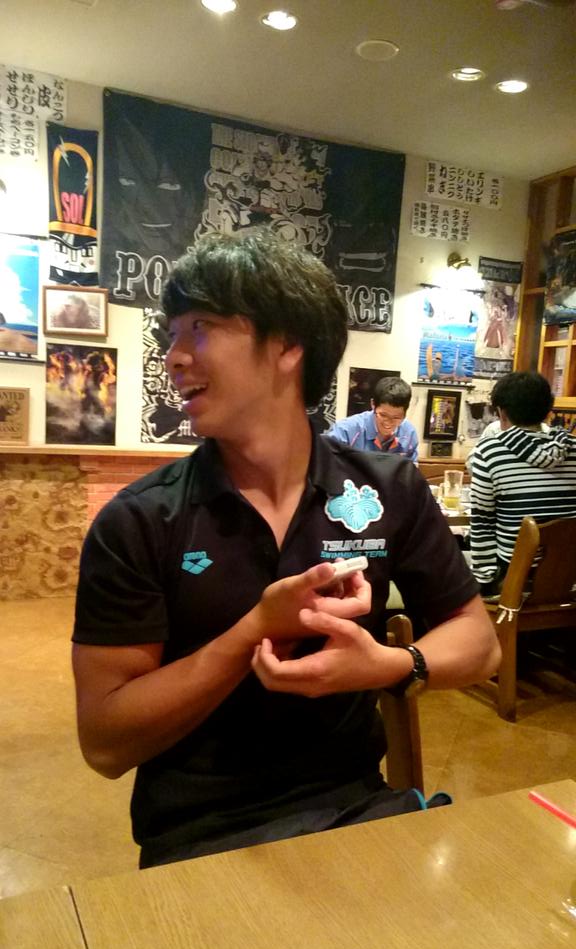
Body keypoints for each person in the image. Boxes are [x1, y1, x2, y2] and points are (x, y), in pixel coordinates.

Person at [72, 230, 499, 869]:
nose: (174, 356)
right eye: (171, 334)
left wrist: (387, 665)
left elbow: (481, 643)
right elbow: (105, 744)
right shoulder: (141, 519)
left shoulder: (388, 488)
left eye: (200, 327)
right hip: (199, 836)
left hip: (357, 809)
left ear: (288, 345)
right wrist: (256, 630)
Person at [470, 371, 576, 596]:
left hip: (514, 585)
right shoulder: (573, 449)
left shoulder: (489, 452)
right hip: (568, 583)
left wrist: (485, 582)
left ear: (501, 412)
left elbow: (482, 523)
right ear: (548, 411)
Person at [326, 377, 419, 462]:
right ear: (373, 404)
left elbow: (411, 471)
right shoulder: (345, 430)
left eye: (396, 417)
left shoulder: (409, 433)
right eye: (383, 415)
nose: (388, 422)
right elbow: (327, 465)